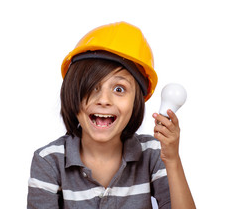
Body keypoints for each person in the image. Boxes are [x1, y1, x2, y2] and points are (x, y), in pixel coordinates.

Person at [27, 21, 195, 208]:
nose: (104, 100)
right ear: (72, 93)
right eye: (93, 86)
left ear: (136, 101)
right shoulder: (49, 161)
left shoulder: (153, 153)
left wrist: (172, 160)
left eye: (119, 89)